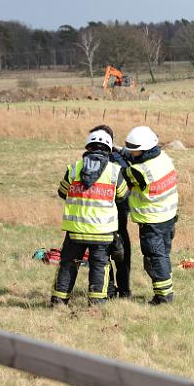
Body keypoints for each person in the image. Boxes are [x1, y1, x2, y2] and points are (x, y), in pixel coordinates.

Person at [52, 130, 128, 306]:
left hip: (75, 231)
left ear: (88, 147)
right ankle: (97, 303)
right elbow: (123, 196)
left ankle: (58, 301)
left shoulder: (73, 169)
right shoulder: (115, 171)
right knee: (100, 266)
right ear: (108, 149)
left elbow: (62, 192)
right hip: (102, 232)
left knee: (68, 264)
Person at [122, 126, 179, 305]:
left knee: (154, 258)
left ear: (144, 149)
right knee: (163, 254)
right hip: (168, 216)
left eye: (134, 148)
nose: (131, 151)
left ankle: (163, 296)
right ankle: (166, 289)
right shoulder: (164, 158)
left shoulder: (139, 170)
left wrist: (120, 157)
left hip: (151, 221)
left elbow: (125, 176)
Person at [89, 124, 132, 299]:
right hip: (117, 214)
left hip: (110, 215)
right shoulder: (119, 158)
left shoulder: (113, 161)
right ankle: (121, 289)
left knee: (107, 253)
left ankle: (113, 289)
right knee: (119, 253)